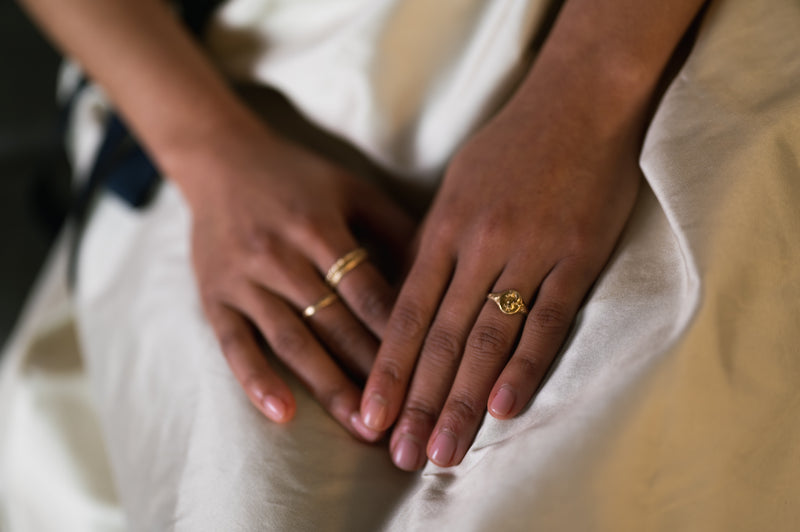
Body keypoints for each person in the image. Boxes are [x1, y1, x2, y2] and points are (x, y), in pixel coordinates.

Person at [5, 0, 800, 529]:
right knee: (252, 488)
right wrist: (211, 155)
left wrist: (589, 87)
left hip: (645, 34)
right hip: (226, 87)